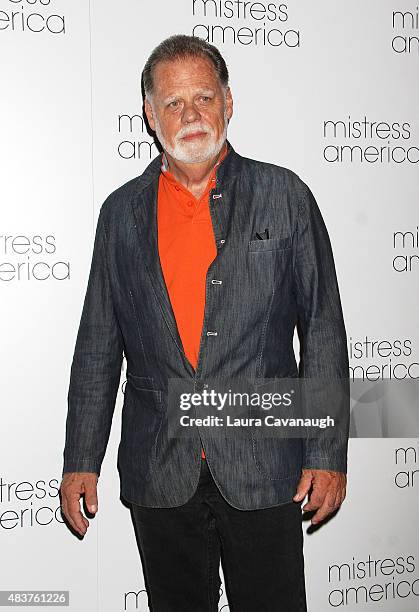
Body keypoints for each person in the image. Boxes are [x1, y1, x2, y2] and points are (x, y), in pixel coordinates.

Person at [60, 34, 350, 611]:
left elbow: (321, 328)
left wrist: (327, 452)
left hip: (266, 464)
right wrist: (79, 460)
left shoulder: (284, 195)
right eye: (172, 102)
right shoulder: (120, 214)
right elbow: (97, 344)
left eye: (203, 97)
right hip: (158, 465)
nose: (190, 114)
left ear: (228, 102)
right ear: (149, 114)